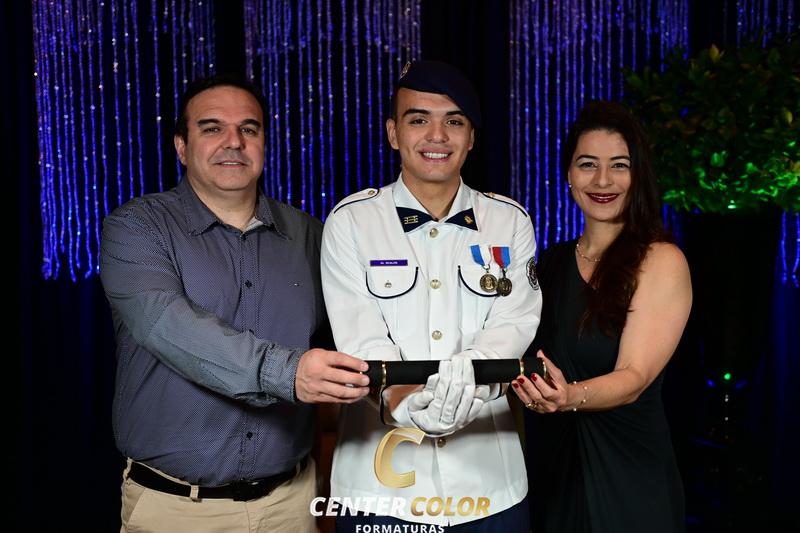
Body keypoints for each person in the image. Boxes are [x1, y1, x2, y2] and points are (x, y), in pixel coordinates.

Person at [99, 74, 370, 532]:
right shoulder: (136, 228)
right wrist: (288, 373)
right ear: (182, 146)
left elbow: (361, 327)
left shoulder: (312, 236)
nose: (233, 142)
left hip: (292, 505)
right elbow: (166, 322)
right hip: (176, 511)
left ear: (263, 143)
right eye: (212, 128)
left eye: (249, 128)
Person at [320, 61, 542, 531]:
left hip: (489, 487)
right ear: (393, 133)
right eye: (418, 119)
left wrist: (466, 386)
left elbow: (513, 325)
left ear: (472, 137)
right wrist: (401, 398)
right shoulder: (350, 221)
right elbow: (359, 334)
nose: (437, 136)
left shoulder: (510, 222)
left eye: (454, 121)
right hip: (380, 490)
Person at [511, 101, 691, 532]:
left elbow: (635, 376)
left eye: (619, 165)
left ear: (638, 175)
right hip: (553, 471)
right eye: (587, 164)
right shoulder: (548, 264)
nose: (603, 180)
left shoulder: (660, 260)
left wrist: (568, 396)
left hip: (628, 473)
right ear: (569, 175)